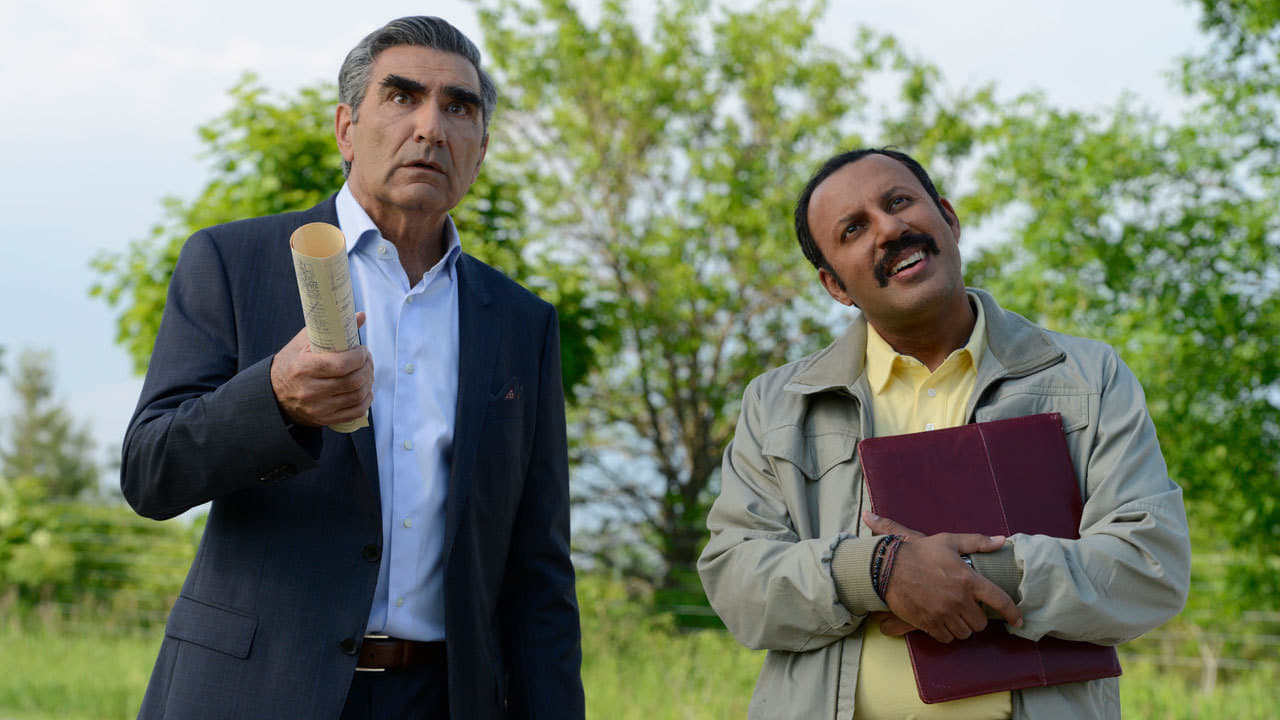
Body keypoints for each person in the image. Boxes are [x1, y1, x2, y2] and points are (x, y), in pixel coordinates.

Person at [121, 16, 583, 720]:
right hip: (256, 695)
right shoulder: (235, 262)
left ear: (481, 150)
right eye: (402, 97)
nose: (431, 127)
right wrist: (274, 399)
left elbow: (540, 568)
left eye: (459, 108)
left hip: (443, 698)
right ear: (346, 128)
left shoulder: (522, 322)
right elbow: (149, 473)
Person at [697, 148, 1190, 719]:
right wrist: (878, 573)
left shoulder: (1088, 377)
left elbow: (1148, 566)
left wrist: (973, 577)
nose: (888, 230)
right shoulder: (777, 404)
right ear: (835, 285)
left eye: (898, 202)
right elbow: (737, 582)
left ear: (949, 219)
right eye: (853, 229)